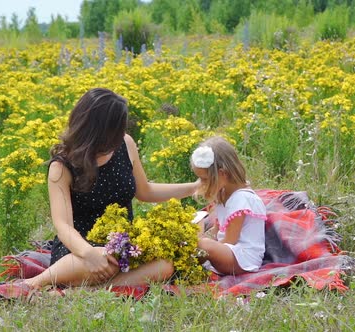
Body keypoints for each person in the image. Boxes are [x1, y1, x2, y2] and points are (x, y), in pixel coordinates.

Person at [21, 88, 199, 290]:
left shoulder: (126, 143)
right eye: (115, 131)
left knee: (165, 265)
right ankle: (33, 284)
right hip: (79, 249)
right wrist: (89, 254)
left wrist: (194, 188)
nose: (120, 136)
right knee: (94, 262)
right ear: (97, 131)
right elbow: (63, 226)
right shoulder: (62, 167)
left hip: (123, 245)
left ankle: (96, 289)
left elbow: (145, 191)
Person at [191, 136, 267, 275]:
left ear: (222, 173)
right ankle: (187, 260)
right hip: (229, 253)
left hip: (242, 259)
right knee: (196, 236)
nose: (201, 183)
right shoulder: (224, 194)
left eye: (204, 179)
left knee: (203, 245)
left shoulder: (241, 199)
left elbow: (230, 240)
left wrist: (204, 246)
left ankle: (189, 262)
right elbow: (216, 230)